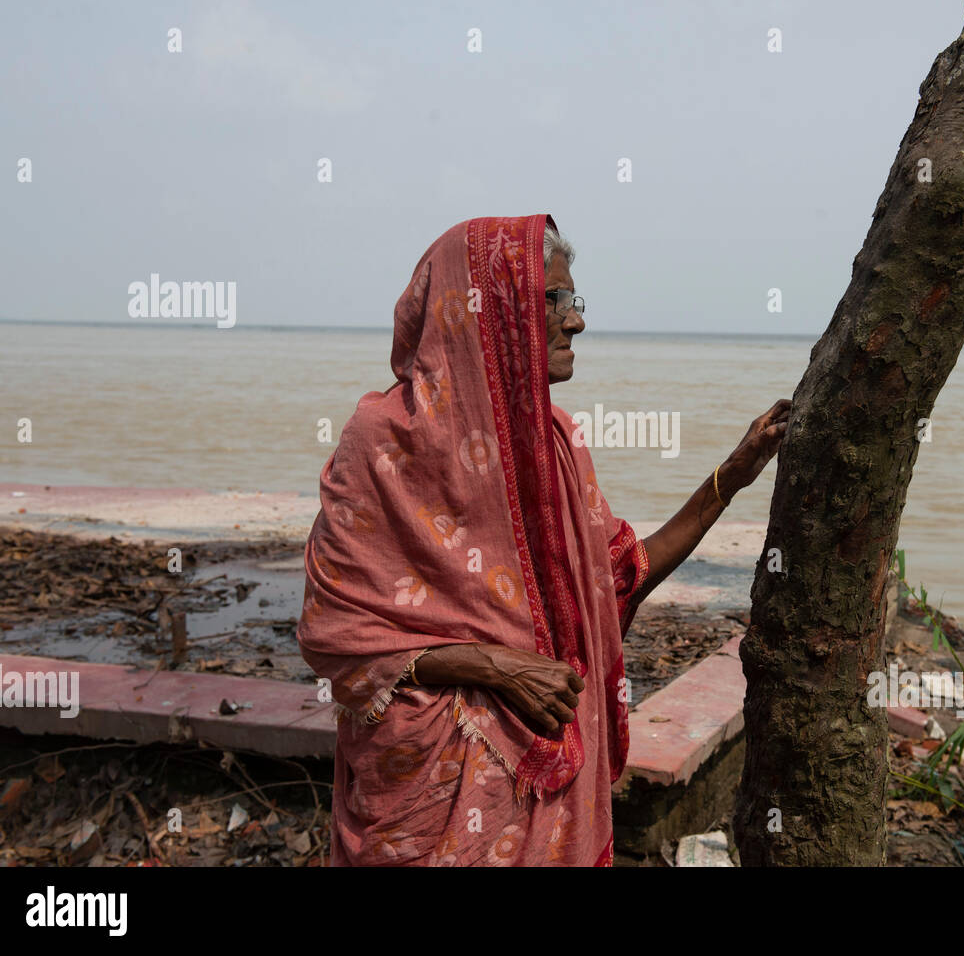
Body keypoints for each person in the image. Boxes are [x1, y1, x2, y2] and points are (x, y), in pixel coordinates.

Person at [296, 214, 789, 865]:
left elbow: (617, 576)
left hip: (547, 775)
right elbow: (336, 632)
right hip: (423, 780)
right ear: (485, 309)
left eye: (574, 301)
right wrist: (494, 666)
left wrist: (732, 474)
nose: (576, 321)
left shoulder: (553, 445)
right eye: (554, 300)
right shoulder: (381, 444)